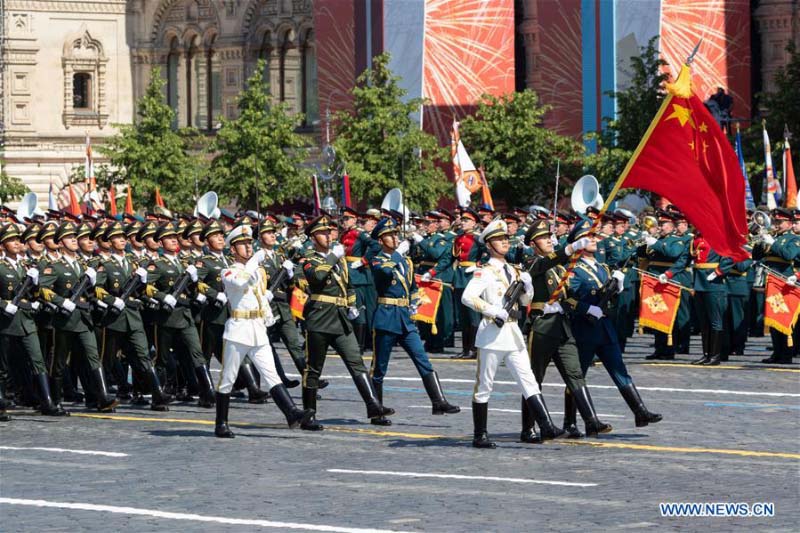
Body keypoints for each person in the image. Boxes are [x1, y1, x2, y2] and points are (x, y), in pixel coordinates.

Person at [462, 219, 565, 449]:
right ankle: (480, 434)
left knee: (528, 379)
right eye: (499, 239)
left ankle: (546, 425)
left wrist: (527, 289)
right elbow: (468, 297)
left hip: (512, 332)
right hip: (492, 333)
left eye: (506, 238)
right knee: (485, 384)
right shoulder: (485, 272)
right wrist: (492, 310)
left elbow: (524, 302)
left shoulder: (514, 269)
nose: (505, 242)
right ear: (489, 245)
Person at [214, 225, 314, 438]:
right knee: (228, 377)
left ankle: (292, 413)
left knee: (271, 373)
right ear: (233, 249)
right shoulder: (228, 271)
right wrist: (253, 263)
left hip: (257, 329)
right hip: (238, 330)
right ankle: (221, 423)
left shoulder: (257, 270)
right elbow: (241, 282)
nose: (248, 247)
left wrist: (267, 313)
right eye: (242, 244)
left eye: (250, 243)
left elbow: (260, 294)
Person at [300, 215, 394, 431]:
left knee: (356, 362)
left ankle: (373, 405)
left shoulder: (340, 258)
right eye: (323, 232)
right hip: (320, 318)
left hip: (341, 318)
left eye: (330, 231)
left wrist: (352, 305)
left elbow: (348, 285)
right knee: (314, 368)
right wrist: (333, 256)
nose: (329, 235)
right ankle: (309, 414)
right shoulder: (309, 258)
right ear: (313, 237)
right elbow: (317, 277)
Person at [521, 219, 611, 441]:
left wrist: (587, 307)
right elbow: (546, 263)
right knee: (534, 378)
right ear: (533, 244)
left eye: (550, 236)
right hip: (542, 326)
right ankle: (528, 428)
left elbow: (568, 299)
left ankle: (591, 420)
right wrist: (571, 248)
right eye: (543, 238)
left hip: (562, 325)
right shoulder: (532, 262)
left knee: (575, 373)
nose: (550, 240)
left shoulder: (561, 267)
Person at [567, 220, 662, 428]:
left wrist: (616, 287)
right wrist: (587, 308)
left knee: (619, 368)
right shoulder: (573, 269)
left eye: (594, 236)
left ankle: (640, 411)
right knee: (577, 377)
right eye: (588, 237)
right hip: (584, 328)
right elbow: (568, 298)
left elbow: (608, 297)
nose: (594, 240)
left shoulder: (602, 267)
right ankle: (572, 423)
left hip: (605, 328)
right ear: (578, 242)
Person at [369, 217, 459, 425]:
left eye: (395, 234)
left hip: (405, 318)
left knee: (422, 359)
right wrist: (398, 255)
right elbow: (383, 273)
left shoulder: (406, 262)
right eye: (389, 235)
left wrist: (415, 300)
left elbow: (412, 287)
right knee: (379, 367)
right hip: (387, 316)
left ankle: (438, 401)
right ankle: (376, 409)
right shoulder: (377, 259)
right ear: (381, 240)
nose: (394, 237)